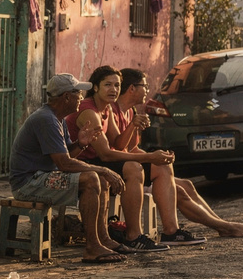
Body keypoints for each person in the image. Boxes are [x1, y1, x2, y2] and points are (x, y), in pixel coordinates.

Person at [114, 68, 243, 238]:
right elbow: (117, 149)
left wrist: (157, 154)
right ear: (132, 88)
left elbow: (131, 148)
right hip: (125, 170)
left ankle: (222, 225)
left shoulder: (131, 111)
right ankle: (209, 228)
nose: (147, 90)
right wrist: (150, 157)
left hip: (132, 164)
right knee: (178, 189)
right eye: (144, 86)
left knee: (187, 185)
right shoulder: (114, 110)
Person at [9, 74, 127, 264]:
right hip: (28, 184)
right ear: (66, 97)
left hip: (43, 177)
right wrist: (102, 169)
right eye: (78, 93)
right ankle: (92, 246)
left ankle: (103, 239)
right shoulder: (46, 119)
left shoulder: (57, 118)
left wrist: (80, 144)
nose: (81, 97)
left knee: (99, 180)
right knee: (92, 178)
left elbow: (65, 158)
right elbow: (64, 164)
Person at [66, 65, 178, 253]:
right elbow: (105, 154)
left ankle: (171, 231)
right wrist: (150, 156)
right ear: (95, 88)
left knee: (161, 168)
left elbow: (118, 144)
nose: (114, 90)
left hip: (97, 161)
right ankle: (133, 236)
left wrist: (133, 125)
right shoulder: (89, 111)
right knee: (134, 168)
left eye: (117, 85)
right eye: (108, 85)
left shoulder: (106, 109)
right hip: (80, 163)